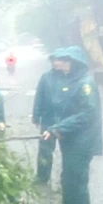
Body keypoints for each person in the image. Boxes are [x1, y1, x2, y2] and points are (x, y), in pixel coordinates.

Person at [42, 46, 102, 204]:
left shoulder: (85, 84)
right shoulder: (68, 81)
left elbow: (87, 113)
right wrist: (54, 128)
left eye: (66, 61)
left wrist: (59, 128)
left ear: (76, 63)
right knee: (68, 180)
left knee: (76, 182)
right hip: (70, 139)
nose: (62, 64)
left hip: (82, 142)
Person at [32, 49, 65, 184]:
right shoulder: (46, 77)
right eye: (54, 60)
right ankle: (42, 176)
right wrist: (36, 116)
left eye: (59, 60)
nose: (56, 63)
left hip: (65, 121)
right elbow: (39, 96)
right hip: (48, 120)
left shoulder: (70, 77)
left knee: (67, 152)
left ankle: (66, 178)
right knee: (45, 150)